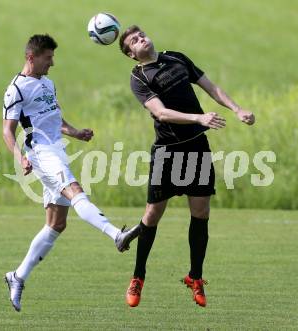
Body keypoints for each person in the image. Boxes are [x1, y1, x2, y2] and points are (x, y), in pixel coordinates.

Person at [118, 25, 255, 308]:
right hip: (167, 151)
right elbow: (161, 113)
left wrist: (238, 108)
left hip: (196, 147)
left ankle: (195, 277)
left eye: (141, 34)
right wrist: (199, 118)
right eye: (134, 41)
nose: (141, 39)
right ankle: (138, 277)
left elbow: (211, 87)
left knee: (201, 212)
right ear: (131, 54)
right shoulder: (139, 76)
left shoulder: (177, 58)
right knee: (153, 214)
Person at [2, 34, 140, 312]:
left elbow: (53, 116)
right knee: (76, 192)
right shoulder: (15, 89)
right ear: (32, 57)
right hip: (41, 152)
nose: (52, 63)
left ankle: (16, 277)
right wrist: (20, 158)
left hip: (57, 149)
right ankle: (116, 235)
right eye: (48, 58)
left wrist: (75, 132)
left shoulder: (47, 83)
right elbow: (7, 130)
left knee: (56, 224)